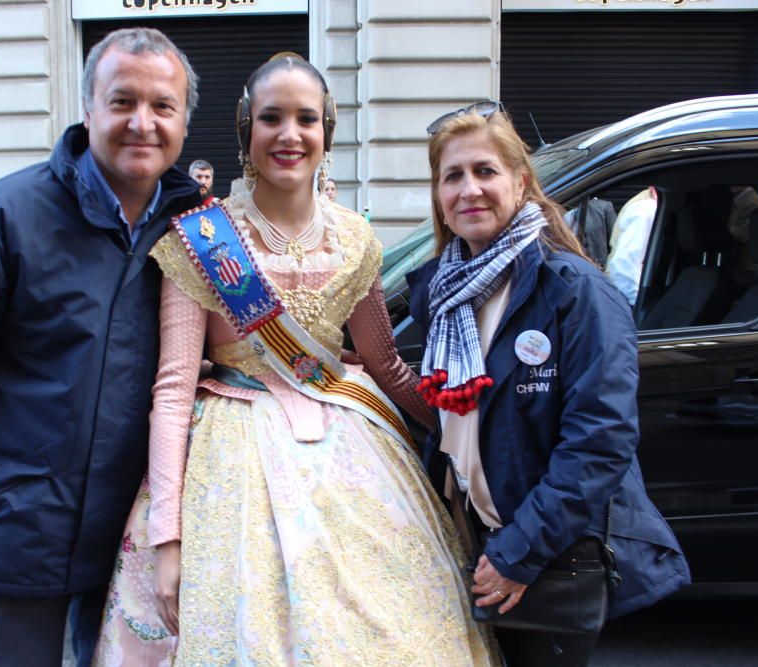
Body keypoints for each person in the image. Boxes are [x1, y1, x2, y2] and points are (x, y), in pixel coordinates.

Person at [93, 53, 495, 666]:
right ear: (245, 130)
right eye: (271, 118)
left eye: (306, 119)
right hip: (228, 461)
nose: (289, 135)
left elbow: (385, 365)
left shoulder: (355, 238)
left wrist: (471, 429)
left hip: (353, 451)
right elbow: (172, 390)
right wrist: (167, 539)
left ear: (326, 133)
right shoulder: (200, 238)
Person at [0, 28, 201, 667]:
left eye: (162, 106)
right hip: (16, 524)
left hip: (131, 532)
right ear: (88, 110)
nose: (142, 123)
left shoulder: (197, 232)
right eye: (122, 102)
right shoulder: (3, 215)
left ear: (184, 121)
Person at [407, 107, 690, 667]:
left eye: (485, 171)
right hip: (478, 538)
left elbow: (599, 442)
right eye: (453, 176)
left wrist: (518, 554)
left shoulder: (576, 291)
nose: (470, 190)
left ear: (520, 180)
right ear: (438, 192)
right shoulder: (442, 295)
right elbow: (448, 412)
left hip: (546, 551)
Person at [606, 186, 658, 306]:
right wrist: (639, 306)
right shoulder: (646, 208)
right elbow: (623, 266)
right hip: (624, 300)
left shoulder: (646, 204)